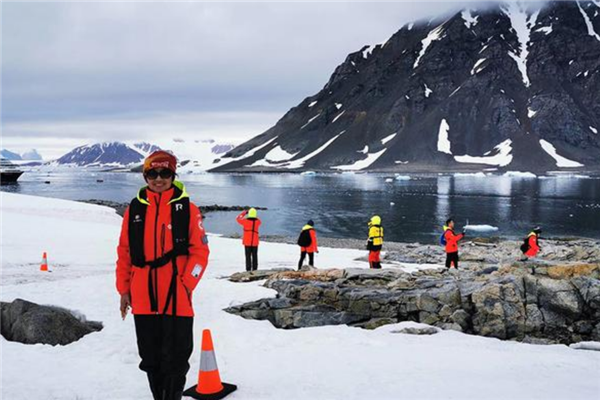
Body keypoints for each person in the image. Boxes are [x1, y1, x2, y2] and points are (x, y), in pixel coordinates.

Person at [116, 150, 210, 400]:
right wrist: (124, 289)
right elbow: (124, 252)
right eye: (153, 173)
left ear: (173, 174)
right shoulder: (134, 210)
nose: (159, 179)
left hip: (177, 299)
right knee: (150, 357)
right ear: (145, 175)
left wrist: (186, 283)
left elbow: (200, 253)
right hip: (142, 297)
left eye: (165, 173)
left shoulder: (188, 210)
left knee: (177, 357)